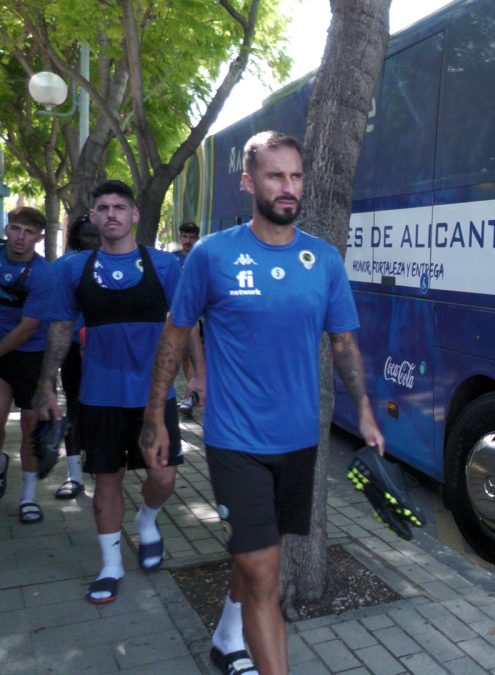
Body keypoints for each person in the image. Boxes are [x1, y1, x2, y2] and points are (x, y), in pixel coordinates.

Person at [140, 131, 383, 675]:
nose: (288, 187)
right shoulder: (211, 254)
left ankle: (227, 638)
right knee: (266, 577)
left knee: (259, 558)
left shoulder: (322, 259)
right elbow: (176, 334)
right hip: (235, 443)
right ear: (249, 182)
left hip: (298, 442)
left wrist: (364, 409)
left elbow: (343, 342)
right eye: (275, 176)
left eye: (296, 176)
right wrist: (156, 414)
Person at [34, 180, 183, 604]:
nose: (112, 214)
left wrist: (200, 374)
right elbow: (61, 327)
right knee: (106, 483)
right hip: (99, 396)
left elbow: (184, 325)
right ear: (93, 217)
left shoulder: (165, 266)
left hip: (155, 396)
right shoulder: (73, 269)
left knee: (163, 476)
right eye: (103, 208)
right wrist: (46, 385)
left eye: (120, 206)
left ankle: (149, 520)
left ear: (135, 215)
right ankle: (112, 565)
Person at [0, 207, 56, 524]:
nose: (21, 237)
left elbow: (27, 329)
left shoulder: (43, 274)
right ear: (7, 229)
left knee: (30, 427)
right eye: (16, 229)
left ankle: (28, 496)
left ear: (39, 237)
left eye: (29, 232)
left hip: (31, 355)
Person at [51, 213, 101, 500]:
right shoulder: (64, 267)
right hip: (74, 351)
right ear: (76, 238)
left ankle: (103, 467)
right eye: (87, 236)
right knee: (75, 410)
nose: (93, 242)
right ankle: (75, 475)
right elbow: (53, 318)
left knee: (104, 411)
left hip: (109, 353)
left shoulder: (120, 264)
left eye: (97, 236)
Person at [173, 223, 205, 418]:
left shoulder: (203, 258)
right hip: (179, 314)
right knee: (185, 355)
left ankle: (193, 393)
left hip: (201, 314)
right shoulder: (173, 259)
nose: (187, 241)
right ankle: (191, 394)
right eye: (184, 236)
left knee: (198, 354)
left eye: (191, 237)